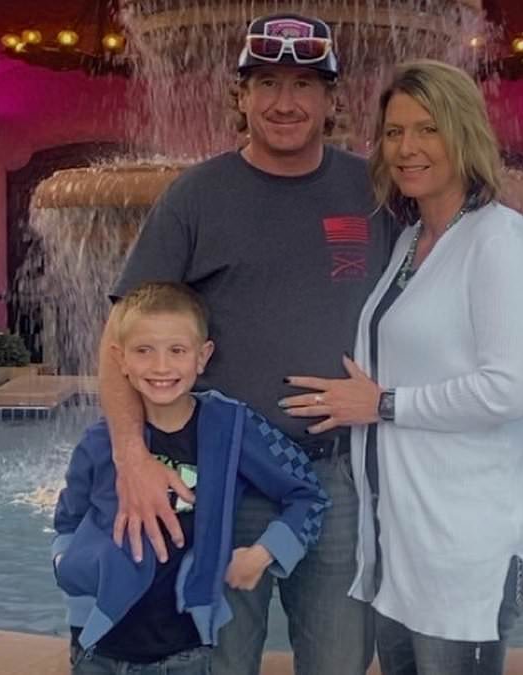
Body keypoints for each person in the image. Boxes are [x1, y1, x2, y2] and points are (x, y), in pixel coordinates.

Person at [99, 12, 394, 675]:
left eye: (303, 85)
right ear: (241, 95)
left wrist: (391, 398)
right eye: (266, 83)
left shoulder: (374, 190)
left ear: (331, 98)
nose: (284, 103)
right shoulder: (196, 197)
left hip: (340, 480)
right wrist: (131, 457)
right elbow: (119, 338)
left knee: (341, 661)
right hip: (223, 482)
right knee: (219, 662)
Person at [281, 60, 523, 675]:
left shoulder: (497, 239)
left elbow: (509, 390)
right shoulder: (409, 242)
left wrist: (381, 404)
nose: (407, 148)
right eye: (395, 132)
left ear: (464, 134)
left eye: (428, 129)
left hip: (465, 550)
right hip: (402, 546)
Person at [53, 282, 330, 675]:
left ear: (203, 357)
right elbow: (69, 517)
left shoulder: (232, 428)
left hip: (186, 652)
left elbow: (308, 494)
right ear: (120, 359)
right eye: (143, 350)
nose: (161, 366)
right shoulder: (103, 440)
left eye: (177, 351)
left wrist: (264, 553)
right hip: (96, 647)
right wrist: (67, 566)